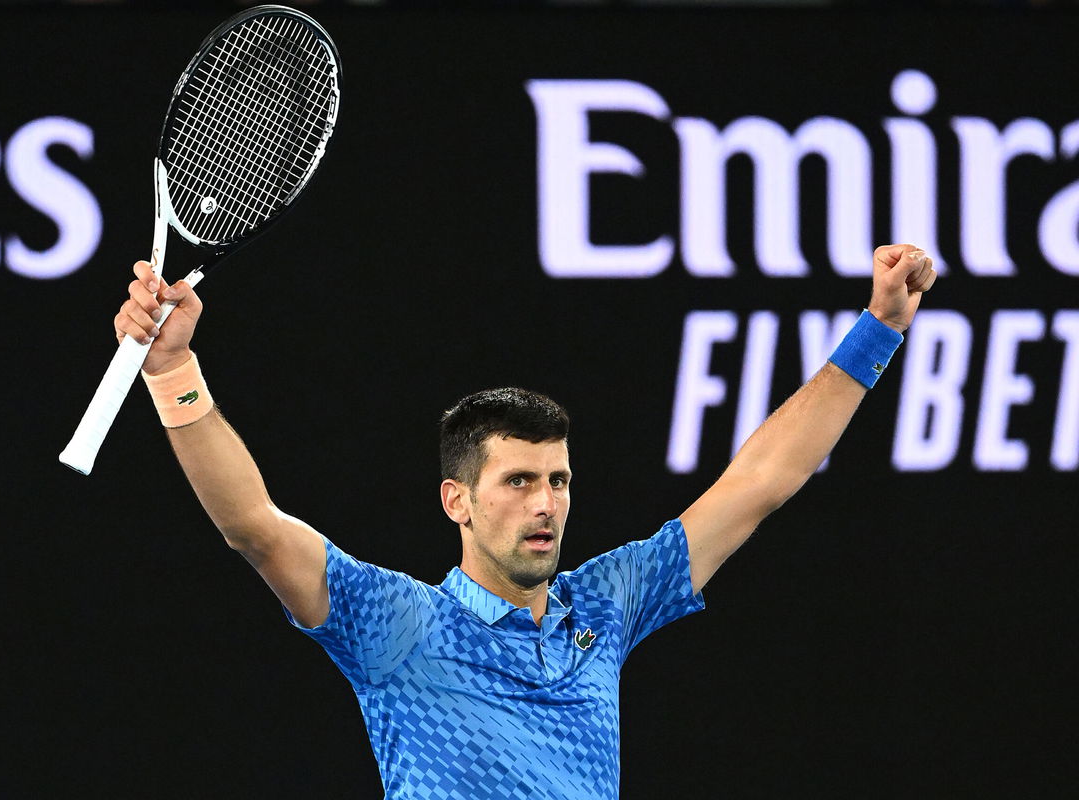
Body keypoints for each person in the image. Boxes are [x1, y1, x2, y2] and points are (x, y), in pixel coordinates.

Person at [115, 244, 935, 799]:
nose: (546, 504)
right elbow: (254, 526)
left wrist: (879, 331)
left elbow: (760, 481)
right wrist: (173, 369)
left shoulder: (606, 606)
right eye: (518, 481)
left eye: (559, 480)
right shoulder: (397, 625)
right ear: (457, 501)